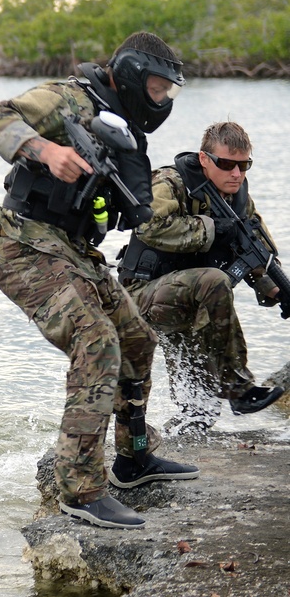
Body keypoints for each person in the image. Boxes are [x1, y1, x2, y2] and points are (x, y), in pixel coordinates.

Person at [0, 31, 198, 530]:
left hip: (76, 251)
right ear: (136, 75)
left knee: (138, 339)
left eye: (169, 93)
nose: (162, 100)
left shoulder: (127, 130)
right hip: (23, 245)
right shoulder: (70, 97)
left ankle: (134, 458)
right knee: (97, 340)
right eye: (159, 89)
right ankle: (80, 488)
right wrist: (42, 151)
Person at [119, 121, 285, 433]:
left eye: (243, 165)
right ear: (205, 159)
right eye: (226, 164)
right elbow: (147, 225)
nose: (236, 173)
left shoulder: (238, 199)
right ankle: (238, 389)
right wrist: (210, 228)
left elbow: (256, 253)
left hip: (193, 301)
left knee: (198, 412)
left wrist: (275, 290)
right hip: (142, 296)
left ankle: (182, 438)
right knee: (215, 281)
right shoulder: (170, 183)